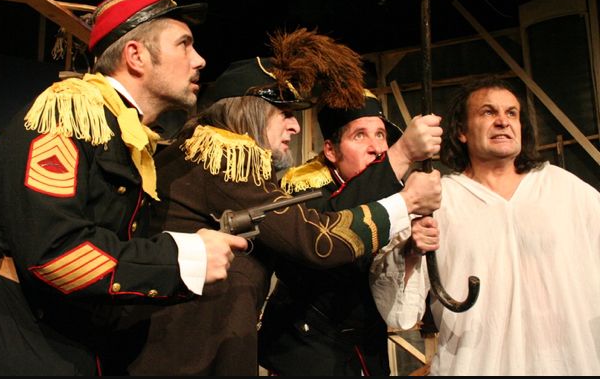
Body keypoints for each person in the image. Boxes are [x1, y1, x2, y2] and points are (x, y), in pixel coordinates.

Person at [0, 0, 248, 376]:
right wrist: (182, 258)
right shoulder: (68, 114)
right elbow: (56, 254)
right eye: (184, 44)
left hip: (68, 332)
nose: (199, 60)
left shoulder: (123, 130)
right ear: (136, 55)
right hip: (12, 334)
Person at [127, 28, 442, 375]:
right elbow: (315, 240)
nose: (295, 126)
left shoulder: (209, 156)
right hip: (184, 357)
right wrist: (406, 195)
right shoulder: (225, 156)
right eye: (285, 113)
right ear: (252, 111)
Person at [370, 74, 600, 375]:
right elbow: (399, 312)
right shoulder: (437, 200)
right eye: (488, 112)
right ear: (462, 131)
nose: (503, 121)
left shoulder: (564, 189)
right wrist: (411, 251)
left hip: (570, 364)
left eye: (512, 113)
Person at [257, 89, 442, 376]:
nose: (376, 148)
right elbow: (333, 233)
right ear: (331, 151)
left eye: (380, 135)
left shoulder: (388, 192)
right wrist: (403, 153)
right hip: (306, 356)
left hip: (367, 355)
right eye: (360, 136)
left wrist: (410, 250)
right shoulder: (303, 192)